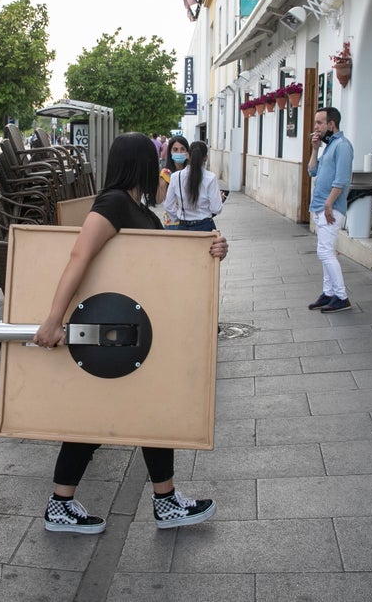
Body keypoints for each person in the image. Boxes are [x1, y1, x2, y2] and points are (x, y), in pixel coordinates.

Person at [33, 132, 228, 534]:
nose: (164, 167)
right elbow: (79, 254)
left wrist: (209, 251)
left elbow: (160, 264)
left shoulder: (137, 209)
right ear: (140, 164)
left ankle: (160, 500)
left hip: (131, 331)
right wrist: (54, 319)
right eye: (156, 159)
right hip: (109, 331)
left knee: (144, 410)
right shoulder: (112, 203)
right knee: (115, 413)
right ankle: (72, 504)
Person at [307, 107, 354, 313]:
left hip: (330, 207)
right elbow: (312, 170)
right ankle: (328, 293)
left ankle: (342, 297)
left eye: (319, 123)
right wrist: (315, 148)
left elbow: (341, 179)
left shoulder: (343, 146)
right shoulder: (329, 146)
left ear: (331, 124)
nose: (316, 127)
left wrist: (328, 203)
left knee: (325, 252)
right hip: (320, 206)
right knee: (324, 251)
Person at [162, 141, 222, 232]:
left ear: (187, 155)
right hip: (205, 226)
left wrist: (178, 216)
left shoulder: (176, 177)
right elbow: (216, 209)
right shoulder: (211, 178)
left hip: (183, 226)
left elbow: (168, 205)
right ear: (206, 158)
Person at [156, 135, 190, 229]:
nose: (179, 152)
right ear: (170, 152)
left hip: (192, 221)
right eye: (175, 149)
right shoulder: (166, 173)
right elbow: (158, 199)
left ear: (187, 152)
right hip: (173, 223)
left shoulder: (192, 172)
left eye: (182, 149)